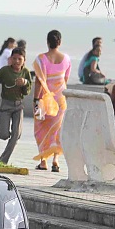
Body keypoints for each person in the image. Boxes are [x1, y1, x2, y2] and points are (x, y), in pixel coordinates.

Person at [32, 29, 71, 172]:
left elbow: (38, 82)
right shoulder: (67, 59)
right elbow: (65, 80)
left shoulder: (40, 59)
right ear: (59, 42)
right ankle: (55, 160)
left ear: (47, 42)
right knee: (57, 130)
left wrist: (36, 100)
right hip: (60, 100)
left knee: (41, 129)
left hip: (44, 99)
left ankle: (43, 161)